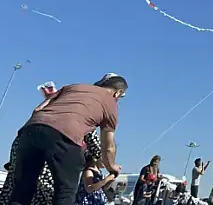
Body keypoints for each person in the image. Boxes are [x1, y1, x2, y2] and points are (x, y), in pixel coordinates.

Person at [10, 74, 126, 205]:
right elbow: (108, 146)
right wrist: (112, 167)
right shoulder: (110, 103)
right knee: (65, 192)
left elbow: (38, 109)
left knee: (22, 190)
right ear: (118, 93)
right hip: (65, 137)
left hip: (31, 130)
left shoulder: (73, 87)